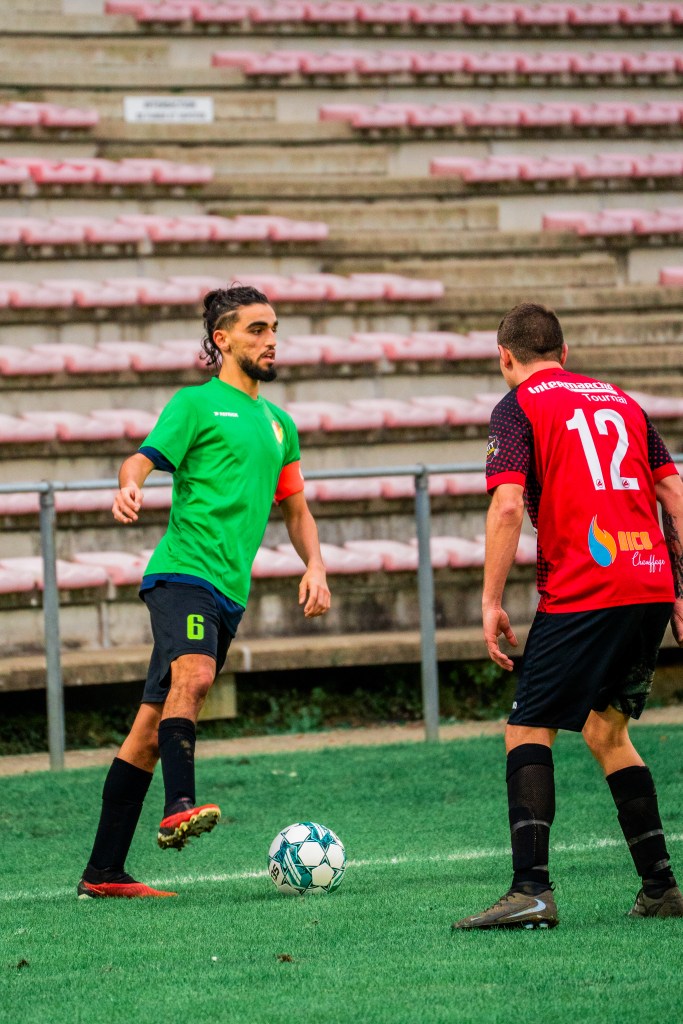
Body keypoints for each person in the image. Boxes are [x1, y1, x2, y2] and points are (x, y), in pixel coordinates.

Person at [78, 284, 331, 899]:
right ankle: (179, 806)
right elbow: (140, 459)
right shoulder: (196, 403)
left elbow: (296, 508)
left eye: (274, 329)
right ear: (222, 339)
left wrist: (316, 565)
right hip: (182, 574)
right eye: (256, 330)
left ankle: (103, 872)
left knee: (148, 731)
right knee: (193, 677)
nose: (270, 340)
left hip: (228, 594)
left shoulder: (280, 425)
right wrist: (129, 484)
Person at [453, 302, 683, 930]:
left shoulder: (519, 406)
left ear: (505, 357)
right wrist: (679, 587)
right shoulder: (622, 401)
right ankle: (661, 886)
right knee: (607, 733)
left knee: (527, 728)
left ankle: (530, 890)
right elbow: (672, 493)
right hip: (649, 582)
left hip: (586, 587)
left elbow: (506, 507)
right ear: (564, 352)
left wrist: (489, 601)